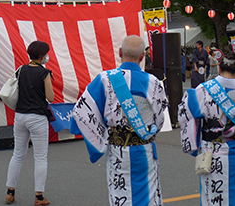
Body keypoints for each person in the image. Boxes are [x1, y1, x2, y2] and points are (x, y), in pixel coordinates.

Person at [70, 35, 168, 206]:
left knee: (121, 195)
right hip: (145, 147)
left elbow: (81, 112)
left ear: (120, 52)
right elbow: (160, 119)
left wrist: (101, 137)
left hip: (118, 149)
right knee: (149, 194)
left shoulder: (105, 79)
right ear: (142, 56)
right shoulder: (154, 82)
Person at [178, 52, 235, 206]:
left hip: (208, 153)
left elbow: (184, 115)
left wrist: (194, 144)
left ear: (218, 68)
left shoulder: (201, 91)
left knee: (211, 195)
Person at [5, 41, 54, 206]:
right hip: (37, 117)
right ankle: (39, 197)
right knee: (40, 157)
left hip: (20, 116)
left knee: (18, 155)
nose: (48, 56)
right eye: (46, 53)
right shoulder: (44, 73)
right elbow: (51, 97)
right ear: (41, 56)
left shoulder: (21, 70)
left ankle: (10, 192)